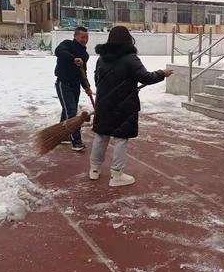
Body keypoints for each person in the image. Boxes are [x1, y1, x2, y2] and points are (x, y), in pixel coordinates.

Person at [89, 26, 173, 186]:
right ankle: (117, 175)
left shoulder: (102, 58)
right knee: (121, 138)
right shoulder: (130, 58)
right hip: (124, 104)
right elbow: (146, 77)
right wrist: (162, 73)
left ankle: (94, 169)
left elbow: (97, 79)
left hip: (104, 103)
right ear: (127, 38)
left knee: (101, 135)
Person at [54, 26, 93, 151]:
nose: (85, 40)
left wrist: (87, 87)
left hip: (75, 86)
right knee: (71, 112)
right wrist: (73, 59)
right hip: (63, 84)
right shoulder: (67, 45)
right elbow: (58, 51)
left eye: (86, 37)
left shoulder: (85, 54)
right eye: (82, 37)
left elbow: (83, 73)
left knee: (67, 111)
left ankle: (61, 136)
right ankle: (76, 141)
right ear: (76, 36)